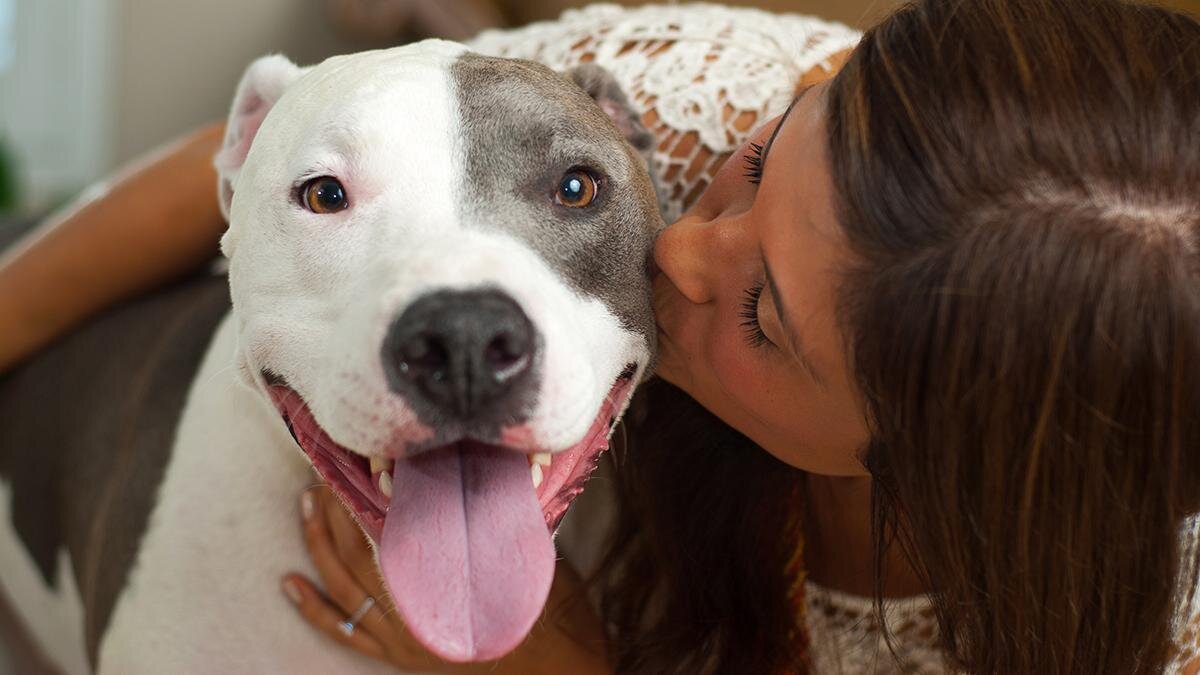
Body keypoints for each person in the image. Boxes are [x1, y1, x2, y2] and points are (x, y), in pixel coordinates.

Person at [2, 0, 1199, 672]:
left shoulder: (1141, 634)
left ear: (947, 465)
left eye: (762, 316)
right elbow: (299, 134)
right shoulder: (690, 99)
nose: (676, 252)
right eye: (757, 164)